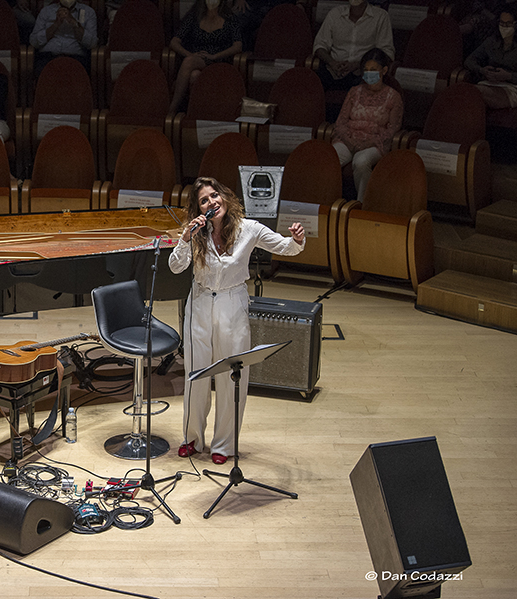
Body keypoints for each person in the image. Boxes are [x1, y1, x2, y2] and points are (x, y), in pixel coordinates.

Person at [169, 178, 304, 464]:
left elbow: (285, 247)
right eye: (204, 200)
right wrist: (185, 238)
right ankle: (191, 438)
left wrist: (297, 239)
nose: (211, 203)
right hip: (200, 303)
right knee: (196, 375)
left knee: (231, 376)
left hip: (233, 304)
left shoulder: (248, 228)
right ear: (198, 208)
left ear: (226, 198)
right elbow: (175, 266)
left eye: (215, 196)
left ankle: (224, 445)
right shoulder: (197, 234)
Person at [331, 47, 402, 202]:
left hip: (375, 143)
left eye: (373, 70)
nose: (369, 73)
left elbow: (392, 130)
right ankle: (328, 201)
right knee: (330, 157)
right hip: (349, 140)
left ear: (383, 70)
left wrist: (368, 143)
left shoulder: (393, 97)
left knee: (361, 161)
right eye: (366, 70)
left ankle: (363, 204)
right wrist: (351, 141)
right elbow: (341, 123)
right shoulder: (354, 92)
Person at [168, 0, 243, 114]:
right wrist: (190, 54)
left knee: (188, 62)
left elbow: (238, 46)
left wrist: (215, 56)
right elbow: (174, 41)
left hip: (219, 60)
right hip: (197, 58)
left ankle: (172, 109)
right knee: (194, 75)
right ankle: (192, 113)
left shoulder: (230, 18)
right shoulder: (195, 16)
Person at [312, 0, 394, 93]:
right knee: (313, 86)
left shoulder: (380, 16)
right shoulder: (335, 14)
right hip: (333, 69)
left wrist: (357, 65)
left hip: (363, 73)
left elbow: (386, 53)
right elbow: (319, 45)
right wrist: (332, 63)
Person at [465, 7, 517, 110]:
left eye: (508, 24)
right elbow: (469, 61)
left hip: (511, 88)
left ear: (516, 25)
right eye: (501, 23)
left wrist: (508, 76)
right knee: (468, 95)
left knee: (475, 93)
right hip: (488, 82)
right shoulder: (491, 42)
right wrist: (482, 70)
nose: (504, 27)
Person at [29, 0, 98, 76]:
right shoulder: (46, 11)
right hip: (48, 57)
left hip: (75, 58)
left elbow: (92, 43)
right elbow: (34, 41)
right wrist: (56, 24)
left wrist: (74, 23)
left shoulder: (88, 12)